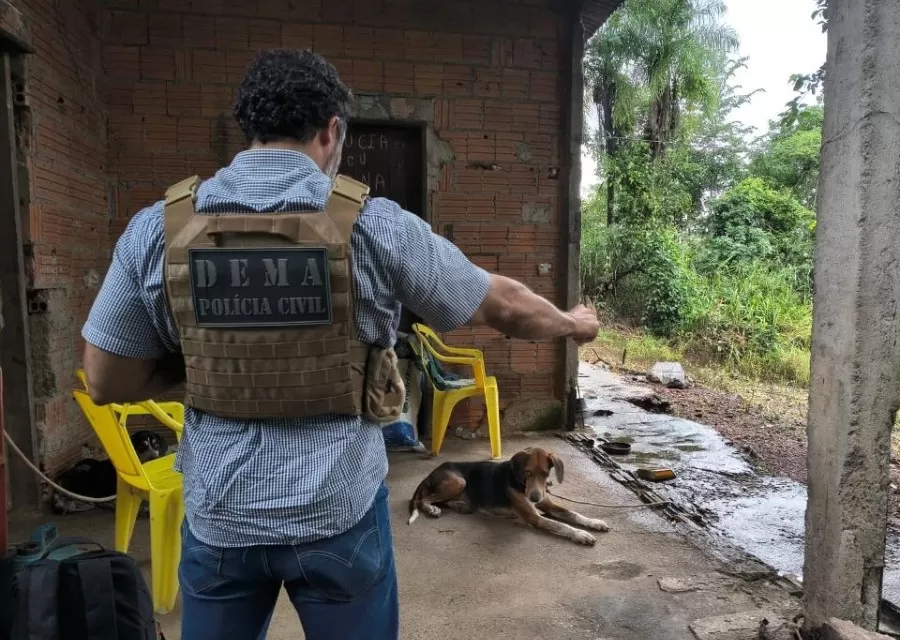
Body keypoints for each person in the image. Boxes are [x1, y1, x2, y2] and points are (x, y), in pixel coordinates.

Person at [80, 49, 600, 640]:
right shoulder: (376, 226)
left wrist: (205, 371)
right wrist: (572, 323)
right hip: (337, 516)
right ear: (332, 130)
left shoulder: (159, 228)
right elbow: (501, 305)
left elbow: (105, 380)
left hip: (221, 516)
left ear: (248, 128)